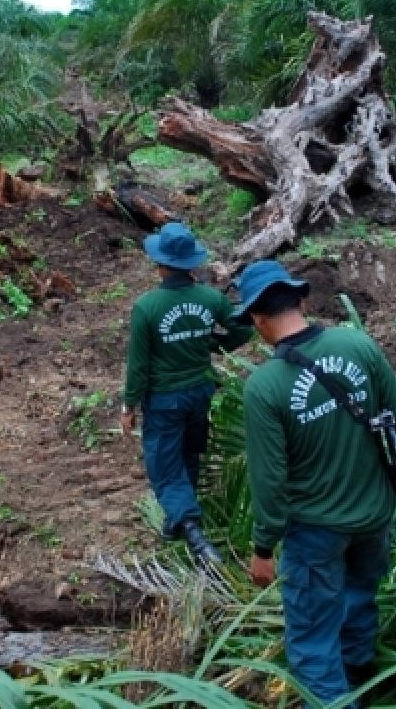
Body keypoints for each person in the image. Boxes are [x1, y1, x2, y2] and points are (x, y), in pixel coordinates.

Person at [235, 259, 396, 708]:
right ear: (301, 300)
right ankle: (357, 682)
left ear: (258, 321)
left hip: (316, 531)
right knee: (359, 601)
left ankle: (337, 699)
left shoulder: (264, 387)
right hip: (374, 516)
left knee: (311, 641)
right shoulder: (356, 344)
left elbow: (270, 480)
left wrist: (264, 547)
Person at [121, 222, 254, 564]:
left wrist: (129, 404)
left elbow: (139, 364)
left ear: (161, 264)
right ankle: (174, 521)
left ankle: (195, 538)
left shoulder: (147, 307)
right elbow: (243, 327)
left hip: (164, 398)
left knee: (164, 466)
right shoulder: (210, 298)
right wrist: (215, 343)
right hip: (200, 392)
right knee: (189, 453)